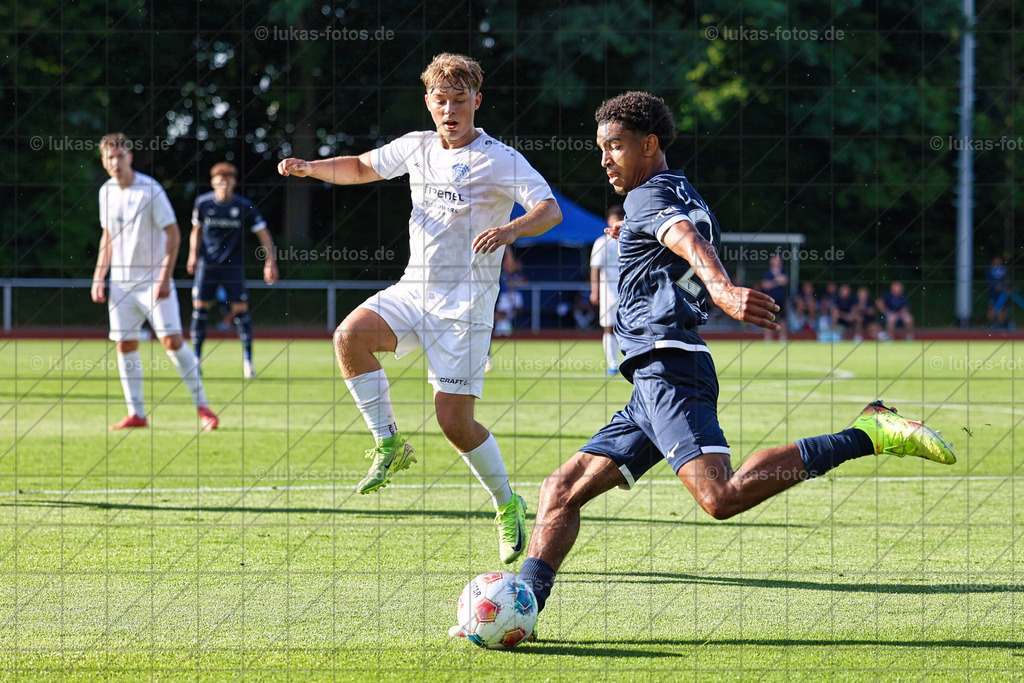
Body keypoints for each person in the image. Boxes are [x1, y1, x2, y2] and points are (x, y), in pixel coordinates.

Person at [450, 91, 955, 639]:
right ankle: (523, 606)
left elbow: (683, 240)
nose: (604, 160)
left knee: (719, 497)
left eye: (614, 147)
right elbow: (676, 237)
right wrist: (632, 238)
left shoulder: (649, 197)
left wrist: (723, 290)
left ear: (649, 144)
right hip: (652, 378)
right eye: (601, 148)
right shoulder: (677, 191)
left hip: (671, 368)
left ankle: (868, 432)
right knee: (559, 491)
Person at [277, 53, 561, 564]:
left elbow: (550, 209)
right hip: (414, 291)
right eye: (440, 100)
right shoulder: (417, 147)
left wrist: (512, 229)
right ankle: (390, 444)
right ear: (428, 102)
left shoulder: (502, 159)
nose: (449, 109)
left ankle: (507, 503)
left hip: (466, 310)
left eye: (459, 100)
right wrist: (310, 168)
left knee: (454, 423)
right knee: (349, 337)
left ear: (477, 101)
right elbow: (363, 166)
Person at [91, 133, 219, 431]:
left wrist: (164, 277)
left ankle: (204, 407)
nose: (116, 162)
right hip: (120, 284)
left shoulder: (150, 189)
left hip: (153, 282)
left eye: (120, 156)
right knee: (125, 344)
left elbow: (174, 234)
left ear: (129, 157)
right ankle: (136, 413)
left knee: (172, 341)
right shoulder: (106, 191)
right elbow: (107, 237)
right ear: (103, 161)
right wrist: (100, 276)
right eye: (110, 158)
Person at [187, 162, 279, 378]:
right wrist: (192, 255)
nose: (223, 186)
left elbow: (263, 235)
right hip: (207, 266)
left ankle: (248, 362)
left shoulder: (244, 205)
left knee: (241, 311)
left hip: (233, 266)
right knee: (200, 311)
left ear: (234, 183)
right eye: (219, 182)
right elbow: (196, 231)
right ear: (213, 183)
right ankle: (196, 361)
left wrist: (270, 262)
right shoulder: (202, 203)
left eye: (227, 182)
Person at [590, 205, 624, 375]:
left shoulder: (630, 240)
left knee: (633, 326)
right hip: (609, 291)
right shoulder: (601, 243)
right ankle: (612, 364)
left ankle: (633, 362)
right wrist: (594, 291)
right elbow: (595, 268)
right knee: (609, 327)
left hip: (630, 291)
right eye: (613, 219)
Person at [760, 254, 788, 341]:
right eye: (775, 260)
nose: (777, 262)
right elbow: (765, 285)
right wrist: (777, 281)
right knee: (768, 318)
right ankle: (768, 338)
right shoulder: (767, 272)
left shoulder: (784, 271)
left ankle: (782, 337)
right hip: (770, 299)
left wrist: (771, 283)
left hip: (781, 299)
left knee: (782, 319)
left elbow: (784, 281)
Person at [986, 255, 1008, 328]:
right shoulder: (990, 270)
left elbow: (1006, 280)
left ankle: (1000, 324)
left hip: (1001, 293)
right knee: (991, 308)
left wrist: (1003, 287)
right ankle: (991, 324)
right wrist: (995, 286)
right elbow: (988, 281)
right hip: (993, 293)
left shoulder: (1003, 270)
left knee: (1001, 309)